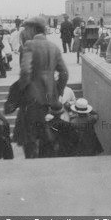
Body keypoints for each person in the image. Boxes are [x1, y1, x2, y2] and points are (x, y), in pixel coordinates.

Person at [18, 16, 69, 158]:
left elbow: (26, 71)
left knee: (30, 136)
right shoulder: (54, 47)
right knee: (48, 134)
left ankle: (32, 164)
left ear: (34, 29)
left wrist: (22, 90)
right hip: (50, 100)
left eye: (26, 28)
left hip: (32, 99)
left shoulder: (28, 45)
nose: (25, 31)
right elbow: (64, 73)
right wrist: (57, 92)